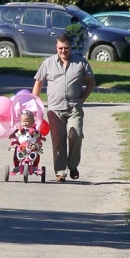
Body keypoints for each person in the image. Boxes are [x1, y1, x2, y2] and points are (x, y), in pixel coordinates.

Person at [32, 34, 95, 182]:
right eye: (60, 48)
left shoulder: (81, 63)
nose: (63, 50)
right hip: (55, 109)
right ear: (56, 47)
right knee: (58, 140)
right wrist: (35, 103)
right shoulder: (48, 63)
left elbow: (91, 82)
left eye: (66, 48)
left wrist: (82, 99)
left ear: (70, 47)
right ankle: (60, 172)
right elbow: (38, 82)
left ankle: (73, 165)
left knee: (76, 134)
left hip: (74, 107)